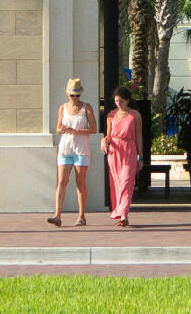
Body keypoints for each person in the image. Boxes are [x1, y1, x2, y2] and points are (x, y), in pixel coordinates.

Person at [49, 77, 100, 226]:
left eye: (77, 95)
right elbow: (58, 129)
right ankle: (57, 215)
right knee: (61, 182)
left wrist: (78, 130)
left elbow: (94, 128)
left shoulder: (86, 108)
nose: (75, 98)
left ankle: (81, 216)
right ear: (67, 94)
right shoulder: (63, 107)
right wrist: (64, 129)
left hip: (81, 149)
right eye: (72, 95)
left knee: (80, 183)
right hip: (65, 148)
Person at [103, 86, 146, 227]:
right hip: (115, 152)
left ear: (127, 100)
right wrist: (104, 141)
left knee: (127, 181)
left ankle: (124, 215)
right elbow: (109, 135)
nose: (118, 104)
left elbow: (139, 136)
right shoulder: (111, 115)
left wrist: (140, 157)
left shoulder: (135, 115)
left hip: (129, 150)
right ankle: (120, 212)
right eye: (116, 101)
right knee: (116, 182)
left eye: (121, 101)